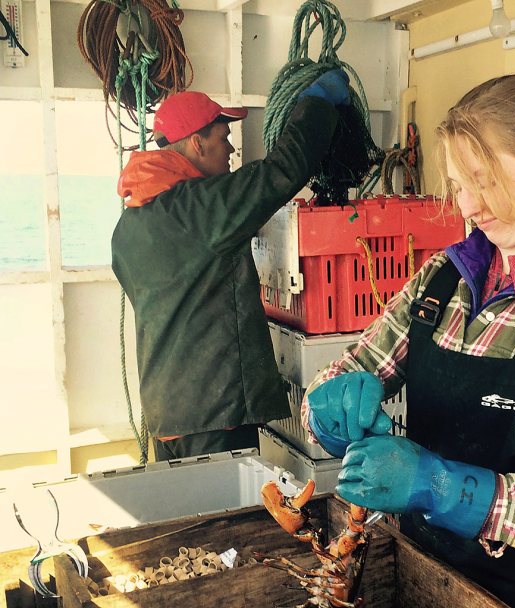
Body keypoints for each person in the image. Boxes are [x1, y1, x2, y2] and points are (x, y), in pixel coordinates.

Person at [301, 73, 515, 608]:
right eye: (458, 184)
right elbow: (353, 366)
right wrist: (327, 408)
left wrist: (439, 487)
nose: (467, 205)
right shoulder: (441, 278)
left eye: (482, 180)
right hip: (426, 577)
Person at [111, 70, 350, 462]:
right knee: (229, 519)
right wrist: (319, 103)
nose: (231, 152)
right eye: (224, 139)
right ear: (196, 142)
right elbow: (282, 171)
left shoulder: (128, 227)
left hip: (166, 413)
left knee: (191, 517)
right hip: (215, 413)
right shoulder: (202, 209)